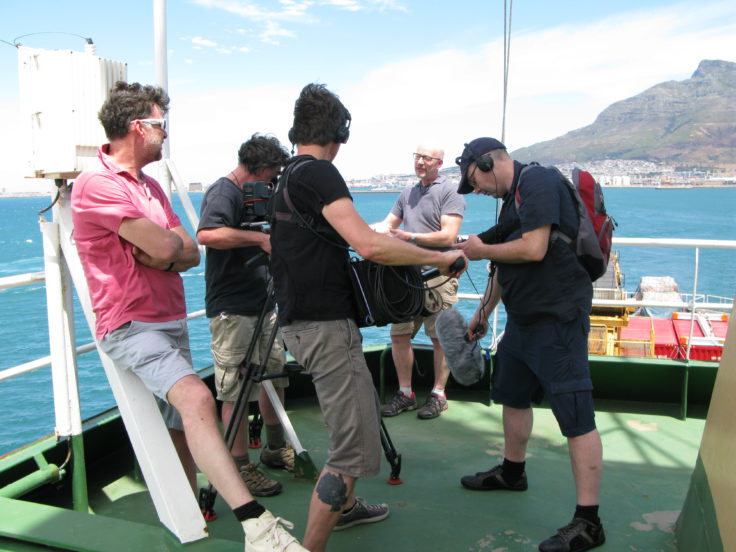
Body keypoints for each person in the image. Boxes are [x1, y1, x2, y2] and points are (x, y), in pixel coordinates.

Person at [71, 81, 307, 552]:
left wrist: (162, 252)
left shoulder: (150, 186)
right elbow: (167, 245)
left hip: (169, 317)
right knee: (199, 400)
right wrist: (162, 250)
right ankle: (255, 526)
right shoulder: (96, 182)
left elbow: (186, 252)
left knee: (182, 424)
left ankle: (188, 513)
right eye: (161, 124)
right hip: (130, 322)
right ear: (138, 127)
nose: (165, 134)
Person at [269, 83, 467, 552]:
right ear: (339, 132)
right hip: (323, 325)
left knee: (351, 432)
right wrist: (442, 258)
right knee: (351, 446)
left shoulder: (287, 174)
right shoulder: (319, 174)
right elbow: (371, 244)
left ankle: (348, 507)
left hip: (301, 320)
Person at [454, 137, 604, 552]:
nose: (477, 192)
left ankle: (589, 521)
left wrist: (482, 250)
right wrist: (483, 312)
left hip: (558, 318)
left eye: (475, 182)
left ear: (489, 162)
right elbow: (501, 258)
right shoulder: (512, 201)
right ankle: (512, 472)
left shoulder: (537, 181)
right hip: (523, 320)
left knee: (575, 415)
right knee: (513, 396)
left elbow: (533, 248)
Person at [197, 134, 294, 498]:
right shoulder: (224, 192)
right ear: (256, 168)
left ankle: (274, 447)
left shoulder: (258, 193)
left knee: (275, 376)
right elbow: (208, 234)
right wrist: (258, 240)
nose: (273, 182)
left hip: (264, 305)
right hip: (233, 310)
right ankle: (239, 467)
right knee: (235, 389)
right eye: (271, 174)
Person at [372, 145, 465, 420]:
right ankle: (406, 393)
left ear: (439, 162)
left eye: (426, 158)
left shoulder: (450, 192)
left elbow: (448, 236)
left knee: (440, 338)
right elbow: (388, 225)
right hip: (406, 278)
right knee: (399, 334)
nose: (420, 162)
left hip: (438, 275)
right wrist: (359, 231)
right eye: (417, 156)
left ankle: (438, 394)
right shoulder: (407, 193)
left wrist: (409, 237)